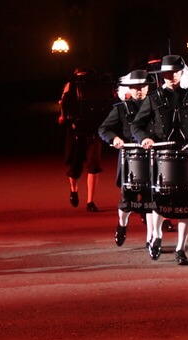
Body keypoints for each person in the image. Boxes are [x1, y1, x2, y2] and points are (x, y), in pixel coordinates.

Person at [131, 55, 188, 265]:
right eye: (168, 73)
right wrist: (144, 138)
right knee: (160, 200)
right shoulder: (153, 98)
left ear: (181, 73)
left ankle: (180, 249)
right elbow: (136, 125)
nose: (172, 76)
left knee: (187, 204)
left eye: (175, 72)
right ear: (162, 75)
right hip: (162, 156)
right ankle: (156, 235)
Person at [98, 69, 152, 246]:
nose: (139, 90)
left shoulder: (156, 106)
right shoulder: (121, 108)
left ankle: (151, 238)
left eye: (142, 86)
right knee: (127, 200)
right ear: (129, 88)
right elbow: (104, 129)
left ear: (147, 87)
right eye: (135, 87)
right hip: (129, 158)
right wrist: (114, 139)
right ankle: (122, 225)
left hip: (151, 157)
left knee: (151, 198)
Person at [59, 67, 113, 211]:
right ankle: (73, 189)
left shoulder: (97, 84)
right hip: (77, 131)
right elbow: (64, 104)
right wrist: (64, 117)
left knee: (94, 166)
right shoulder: (71, 84)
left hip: (94, 131)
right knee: (75, 169)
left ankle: (90, 201)